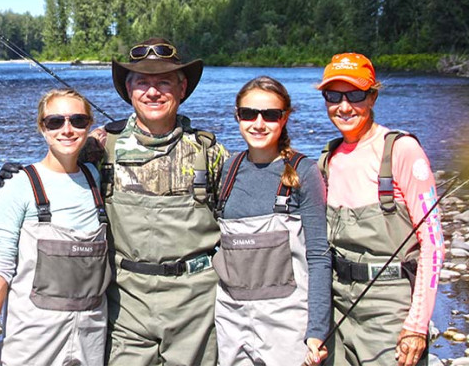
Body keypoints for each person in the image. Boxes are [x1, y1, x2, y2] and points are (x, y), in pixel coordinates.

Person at [99, 38, 228, 366]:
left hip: (195, 306)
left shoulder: (209, 152)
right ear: (129, 89)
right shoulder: (100, 146)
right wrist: (23, 179)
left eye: (163, 82)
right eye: (142, 82)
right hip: (126, 304)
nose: (152, 92)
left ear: (182, 88)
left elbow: (242, 219)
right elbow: (61, 177)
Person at [317, 53, 445, 366]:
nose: (344, 106)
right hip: (337, 305)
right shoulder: (327, 159)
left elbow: (434, 244)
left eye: (356, 95)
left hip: (391, 307)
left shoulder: (401, 150)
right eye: (333, 96)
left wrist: (416, 326)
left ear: (373, 96)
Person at [0, 88, 111, 366]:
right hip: (33, 336)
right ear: (42, 127)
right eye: (55, 122)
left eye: (78, 121)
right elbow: (1, 267)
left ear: (90, 126)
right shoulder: (18, 186)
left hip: (91, 333)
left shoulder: (96, 176)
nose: (67, 130)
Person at [212, 76, 330, 366]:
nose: (259, 123)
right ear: (237, 116)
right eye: (249, 114)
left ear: (285, 117)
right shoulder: (228, 169)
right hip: (231, 320)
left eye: (271, 115)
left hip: (288, 324)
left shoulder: (306, 172)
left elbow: (318, 256)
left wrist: (316, 332)